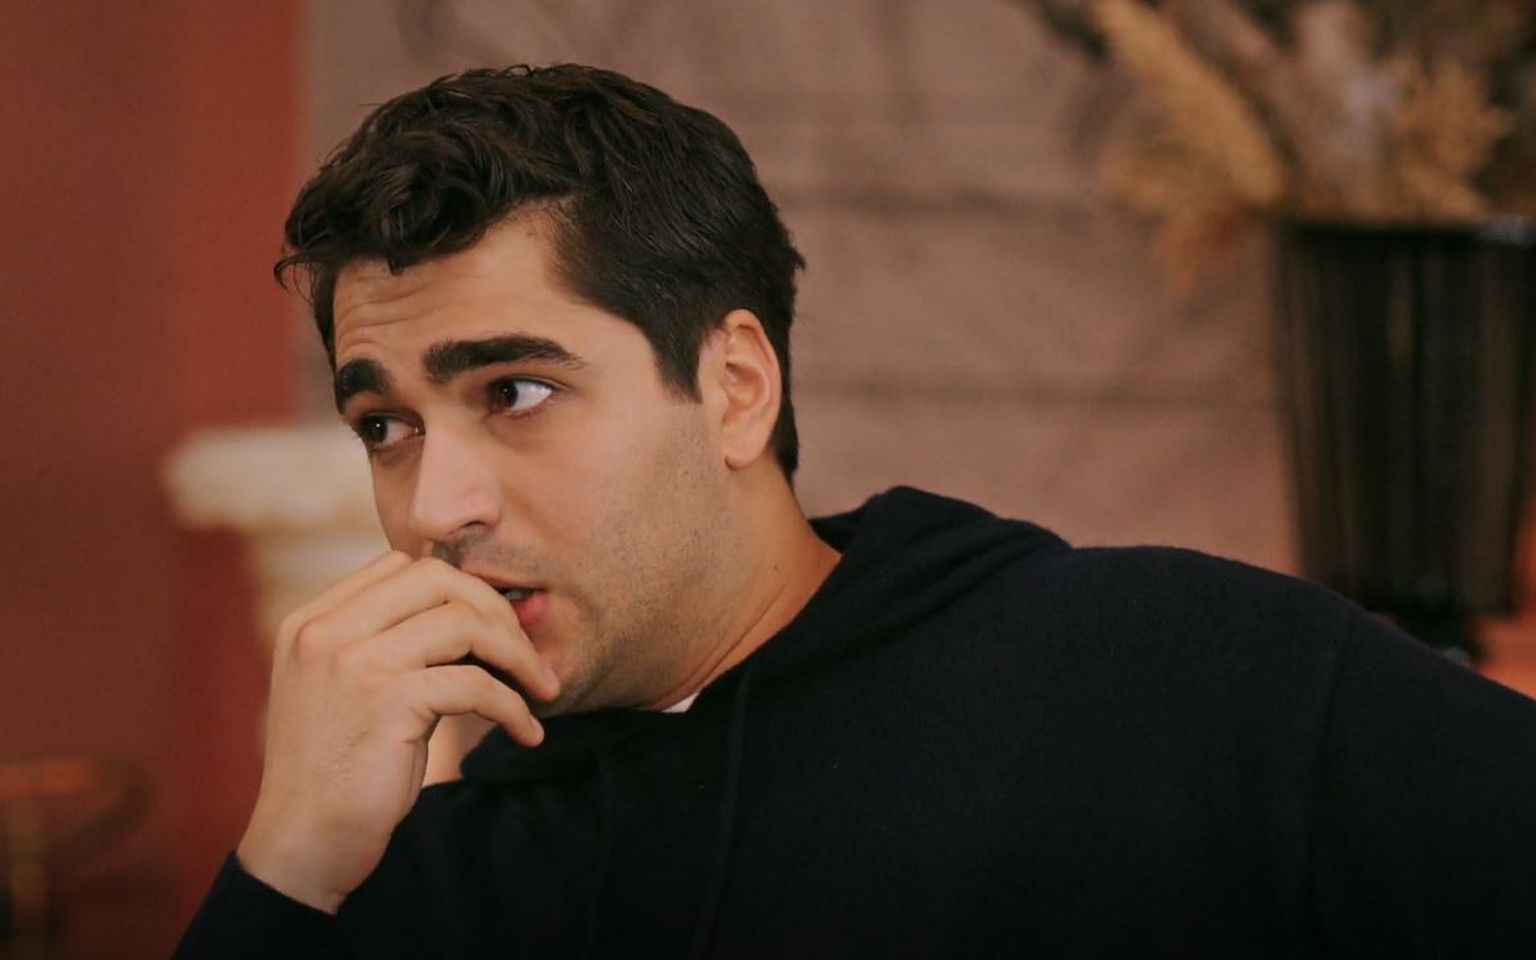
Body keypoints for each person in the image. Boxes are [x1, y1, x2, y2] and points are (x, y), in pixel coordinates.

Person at [175, 64, 1536, 958]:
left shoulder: (1184, 671)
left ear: (735, 388)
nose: (437, 506)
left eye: (517, 392)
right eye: (386, 426)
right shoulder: (434, 880)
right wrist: (286, 862)